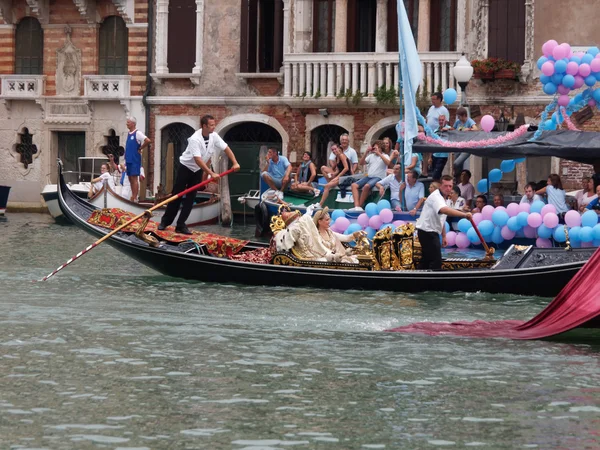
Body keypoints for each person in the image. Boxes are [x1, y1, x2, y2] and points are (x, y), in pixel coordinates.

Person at [158, 114, 240, 235]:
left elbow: (226, 148)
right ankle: (165, 222)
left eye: (214, 125)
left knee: (191, 197)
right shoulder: (194, 139)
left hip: (197, 170)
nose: (213, 127)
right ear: (204, 126)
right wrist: (211, 173)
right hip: (186, 168)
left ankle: (181, 224)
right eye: (211, 125)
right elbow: (198, 160)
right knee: (177, 195)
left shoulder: (214, 136)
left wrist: (235, 162)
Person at [416, 175, 472, 270]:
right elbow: (444, 210)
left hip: (431, 232)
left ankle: (420, 280)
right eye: (446, 186)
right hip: (427, 232)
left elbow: (441, 218)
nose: (448, 188)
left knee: (427, 260)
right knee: (436, 261)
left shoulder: (444, 199)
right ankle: (434, 282)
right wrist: (464, 215)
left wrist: (444, 235)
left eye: (450, 186)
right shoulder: (436, 197)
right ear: (440, 185)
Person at [350, 141, 390, 210]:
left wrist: (379, 154)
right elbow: (361, 163)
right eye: (374, 147)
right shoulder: (371, 156)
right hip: (369, 176)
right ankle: (356, 206)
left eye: (377, 147)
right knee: (354, 185)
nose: (375, 149)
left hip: (378, 177)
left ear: (381, 148)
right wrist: (366, 152)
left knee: (367, 186)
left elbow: (388, 163)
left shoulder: (385, 155)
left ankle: (359, 206)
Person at [124, 117, 151, 202]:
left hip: (134, 159)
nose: (127, 124)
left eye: (128, 122)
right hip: (128, 159)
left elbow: (147, 140)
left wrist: (140, 148)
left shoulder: (137, 133)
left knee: (134, 178)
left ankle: (135, 197)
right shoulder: (129, 133)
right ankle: (133, 195)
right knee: (130, 178)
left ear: (133, 123)